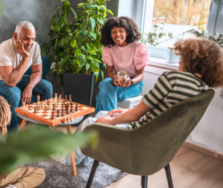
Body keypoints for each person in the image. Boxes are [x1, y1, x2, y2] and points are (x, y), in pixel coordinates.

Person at [63, 38, 223, 165]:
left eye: (182, 57)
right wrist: (125, 111)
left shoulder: (173, 78)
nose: (179, 61)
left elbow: (134, 118)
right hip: (158, 141)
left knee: (89, 122)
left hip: (136, 135)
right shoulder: (200, 88)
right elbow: (161, 110)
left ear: (193, 61)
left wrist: (111, 122)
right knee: (103, 113)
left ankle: (68, 165)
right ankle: (88, 158)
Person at [0, 21, 53, 131]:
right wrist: (25, 58)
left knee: (47, 87)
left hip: (17, 78)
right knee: (14, 93)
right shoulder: (3, 48)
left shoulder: (35, 47)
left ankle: (43, 131)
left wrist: (29, 87)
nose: (30, 43)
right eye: (26, 38)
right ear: (15, 36)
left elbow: (37, 72)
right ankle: (12, 137)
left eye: (33, 39)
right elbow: (11, 82)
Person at [96, 16, 149, 114]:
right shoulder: (109, 48)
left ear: (127, 32)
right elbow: (109, 72)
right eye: (114, 32)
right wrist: (115, 77)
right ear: (110, 34)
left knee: (102, 95)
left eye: (121, 31)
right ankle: (112, 123)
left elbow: (141, 75)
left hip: (135, 84)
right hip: (117, 81)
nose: (117, 34)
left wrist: (131, 82)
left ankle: (103, 123)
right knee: (105, 83)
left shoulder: (137, 47)